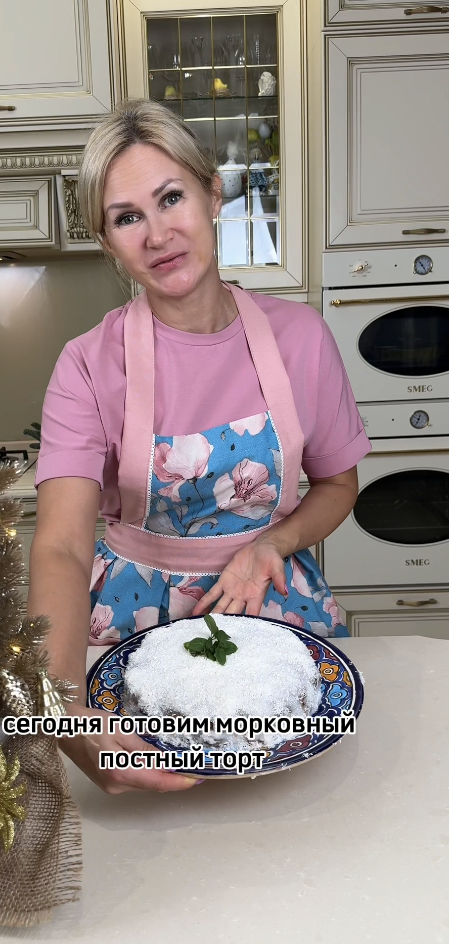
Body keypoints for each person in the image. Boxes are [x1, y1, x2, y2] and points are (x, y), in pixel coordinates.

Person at [28, 99, 371, 795]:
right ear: (108, 241)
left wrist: (273, 543)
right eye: (127, 217)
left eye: (171, 198)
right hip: (128, 618)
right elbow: (61, 545)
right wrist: (63, 708)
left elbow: (339, 484)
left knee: (303, 813)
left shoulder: (300, 337)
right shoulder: (87, 365)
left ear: (213, 194)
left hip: (276, 601)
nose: (158, 235)